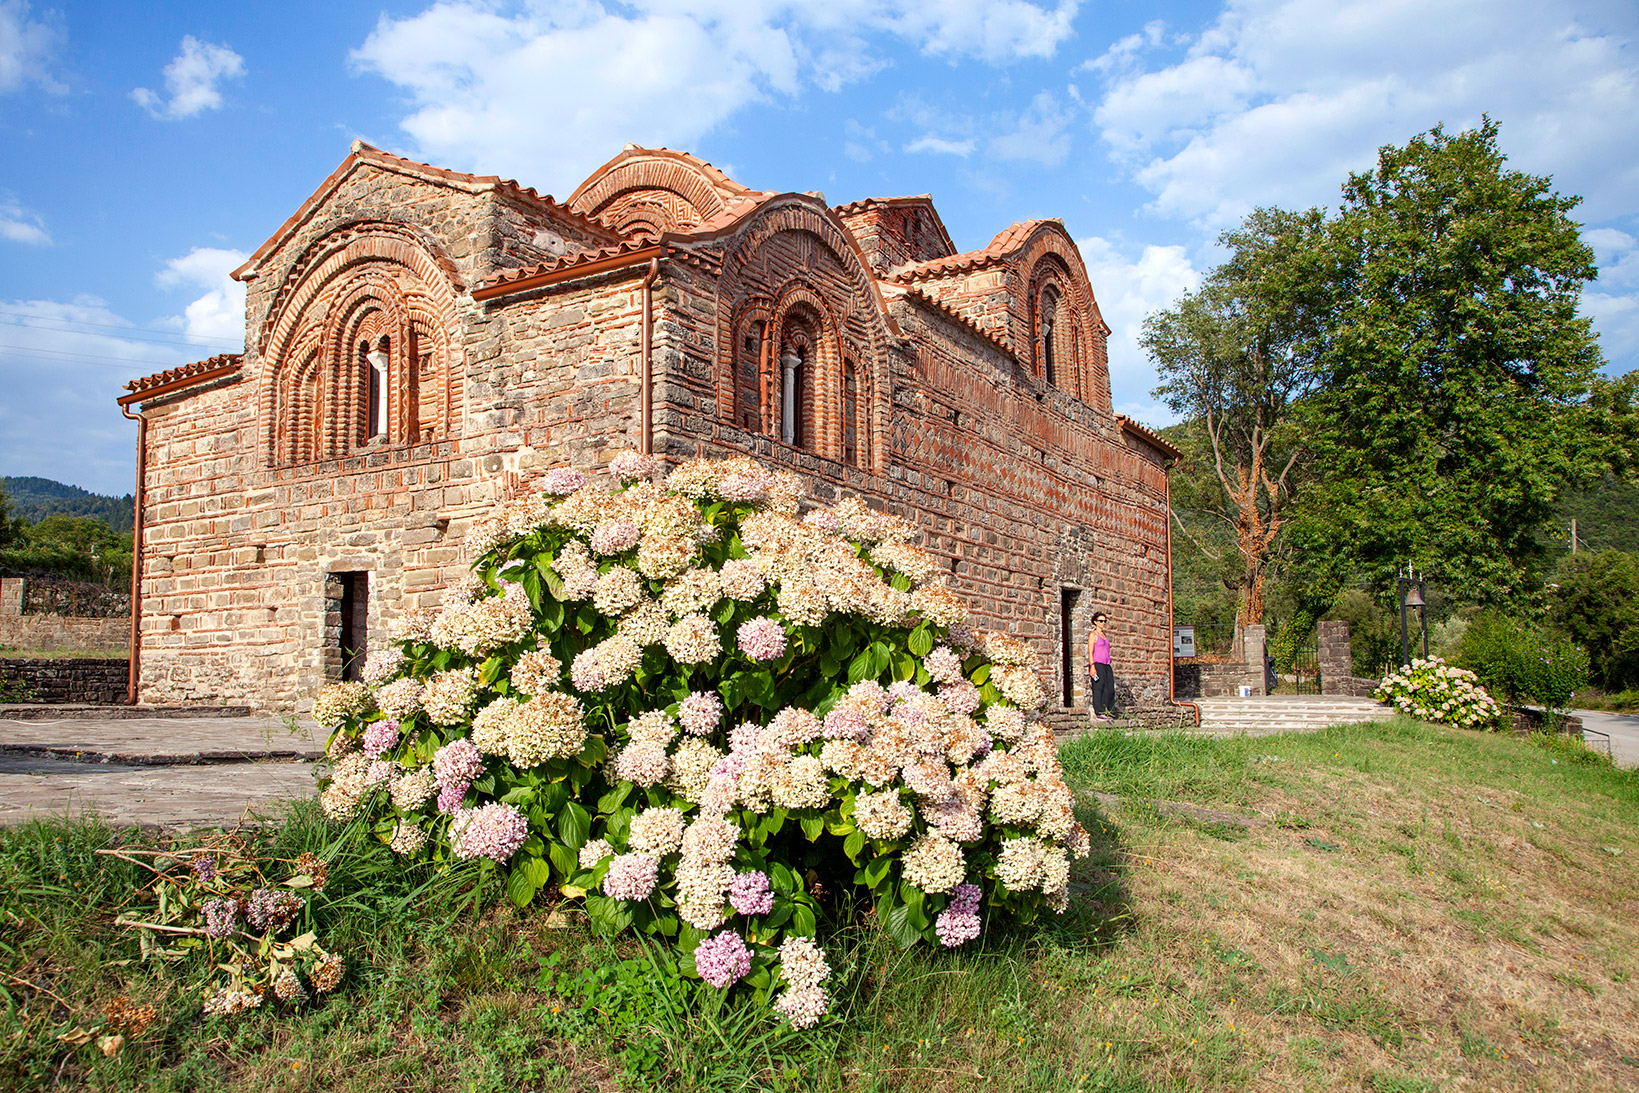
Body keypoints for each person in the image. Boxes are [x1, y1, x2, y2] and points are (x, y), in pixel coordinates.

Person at [1087, 611, 1115, 721]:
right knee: (1099, 687)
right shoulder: (1093, 635)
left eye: (1105, 621)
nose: (1103, 623)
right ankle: (1100, 711)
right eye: (1101, 621)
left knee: (1110, 688)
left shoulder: (1105, 635)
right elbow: (1090, 652)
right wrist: (1092, 665)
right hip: (1097, 664)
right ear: (1095, 622)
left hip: (1107, 664)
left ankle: (1109, 710)